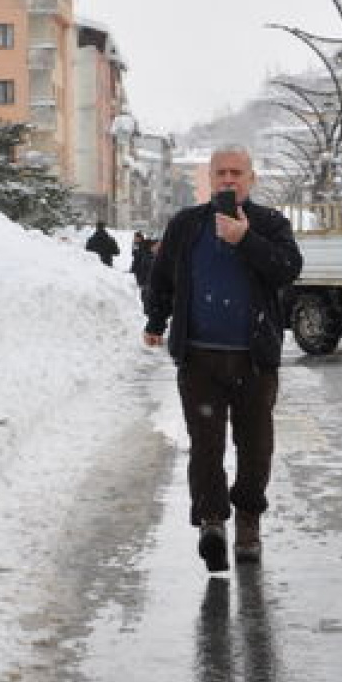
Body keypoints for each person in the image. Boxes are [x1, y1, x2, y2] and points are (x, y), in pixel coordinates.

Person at [143, 145, 302, 573]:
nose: (228, 180)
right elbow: (162, 279)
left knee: (255, 449)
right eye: (220, 173)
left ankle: (248, 522)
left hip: (254, 361)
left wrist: (245, 239)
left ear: (251, 179)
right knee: (206, 448)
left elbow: (288, 270)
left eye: (236, 172)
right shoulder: (187, 225)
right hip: (200, 359)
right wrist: (156, 319)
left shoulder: (270, 223)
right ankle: (212, 522)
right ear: (209, 179)